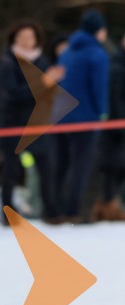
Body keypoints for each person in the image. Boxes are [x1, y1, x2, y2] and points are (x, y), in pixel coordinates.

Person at [0, 20, 63, 224]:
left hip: (38, 124)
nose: (26, 41)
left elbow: (49, 96)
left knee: (46, 168)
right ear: (14, 39)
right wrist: (42, 84)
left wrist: (51, 87)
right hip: (13, 124)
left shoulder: (42, 62)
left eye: (30, 37)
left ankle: (51, 211)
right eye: (22, 37)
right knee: (11, 170)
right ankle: (8, 213)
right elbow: (12, 94)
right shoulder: (7, 61)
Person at [53, 9, 110, 223]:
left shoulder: (67, 51)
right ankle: (73, 211)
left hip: (61, 116)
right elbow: (99, 87)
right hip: (84, 118)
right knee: (80, 165)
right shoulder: (97, 54)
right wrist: (102, 112)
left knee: (62, 164)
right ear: (98, 31)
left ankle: (55, 209)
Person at [95, 32, 125, 221]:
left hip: (118, 125)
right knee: (113, 168)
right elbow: (115, 100)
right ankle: (107, 208)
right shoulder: (116, 66)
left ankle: (111, 205)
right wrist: (120, 125)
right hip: (115, 125)